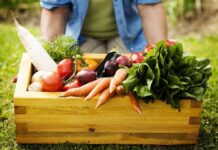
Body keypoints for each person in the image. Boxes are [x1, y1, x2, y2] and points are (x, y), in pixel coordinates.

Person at [40, 0, 167, 53]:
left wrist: (162, 55)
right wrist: (47, 59)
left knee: (133, 80)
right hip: (83, 37)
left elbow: (149, 6)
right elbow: (56, 11)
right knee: (84, 80)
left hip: (126, 35)